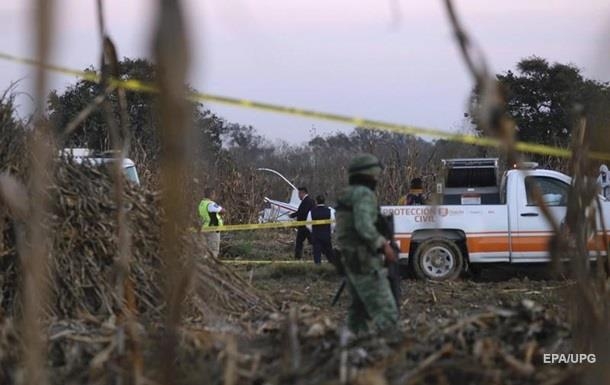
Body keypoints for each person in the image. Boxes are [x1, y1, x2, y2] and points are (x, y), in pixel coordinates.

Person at [335, 153, 399, 334]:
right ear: (369, 174)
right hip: (364, 261)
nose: (376, 179)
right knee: (387, 312)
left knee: (358, 311)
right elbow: (363, 225)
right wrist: (383, 245)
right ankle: (390, 352)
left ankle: (354, 349)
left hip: (350, 259)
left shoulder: (347, 194)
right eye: (375, 174)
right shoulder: (364, 194)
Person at [306, 195, 336, 265]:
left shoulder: (311, 211)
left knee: (317, 254)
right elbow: (333, 223)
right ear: (324, 201)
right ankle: (332, 267)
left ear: (316, 202)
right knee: (329, 252)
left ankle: (318, 268)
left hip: (316, 236)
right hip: (326, 235)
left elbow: (308, 224)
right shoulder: (330, 211)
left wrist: (313, 231)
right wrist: (330, 231)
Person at [289, 187, 315, 259]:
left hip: (304, 226)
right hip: (307, 226)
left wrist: (293, 215)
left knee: (300, 242)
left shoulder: (307, 201)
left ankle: (298, 258)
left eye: (299, 194)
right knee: (306, 242)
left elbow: (302, 212)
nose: (298, 196)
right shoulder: (309, 201)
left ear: (302, 193)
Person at [198, 190, 225, 258]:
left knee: (205, 250)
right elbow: (222, 210)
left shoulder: (201, 204)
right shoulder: (210, 204)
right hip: (213, 229)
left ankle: (203, 265)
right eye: (214, 194)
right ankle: (211, 266)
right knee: (213, 250)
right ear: (212, 194)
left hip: (205, 228)